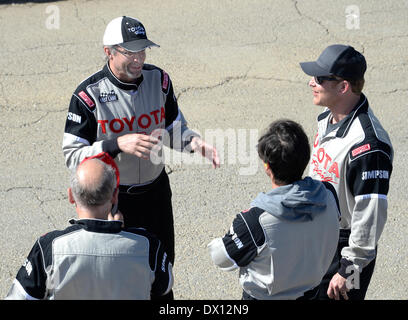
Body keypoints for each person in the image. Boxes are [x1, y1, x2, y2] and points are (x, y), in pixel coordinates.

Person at [62, 16, 220, 298]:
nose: (138, 59)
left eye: (143, 51)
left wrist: (194, 142)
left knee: (161, 268)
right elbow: (73, 155)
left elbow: (172, 128)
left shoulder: (159, 80)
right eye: (129, 52)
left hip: (156, 193)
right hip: (113, 200)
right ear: (108, 51)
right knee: (121, 276)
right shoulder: (88, 95)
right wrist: (116, 144)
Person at [5, 153, 173, 300]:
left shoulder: (49, 247)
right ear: (114, 196)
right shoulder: (149, 246)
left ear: (71, 195)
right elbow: (164, 288)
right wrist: (123, 232)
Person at [299, 44, 394, 300]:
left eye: (320, 78)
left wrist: (349, 266)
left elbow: (370, 213)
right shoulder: (327, 119)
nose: (311, 83)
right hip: (318, 238)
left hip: (344, 250)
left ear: (342, 87)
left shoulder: (368, 146)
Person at [207, 119, 340, 300]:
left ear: (267, 167)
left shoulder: (254, 221)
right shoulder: (329, 194)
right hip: (313, 293)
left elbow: (221, 257)